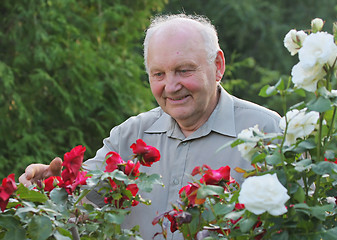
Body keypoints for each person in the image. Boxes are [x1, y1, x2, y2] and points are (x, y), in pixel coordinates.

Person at [19, 14, 281, 239]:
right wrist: (47, 188)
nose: (171, 86)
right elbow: (78, 202)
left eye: (184, 70)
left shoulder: (268, 133)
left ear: (218, 66)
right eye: (159, 74)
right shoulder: (129, 136)